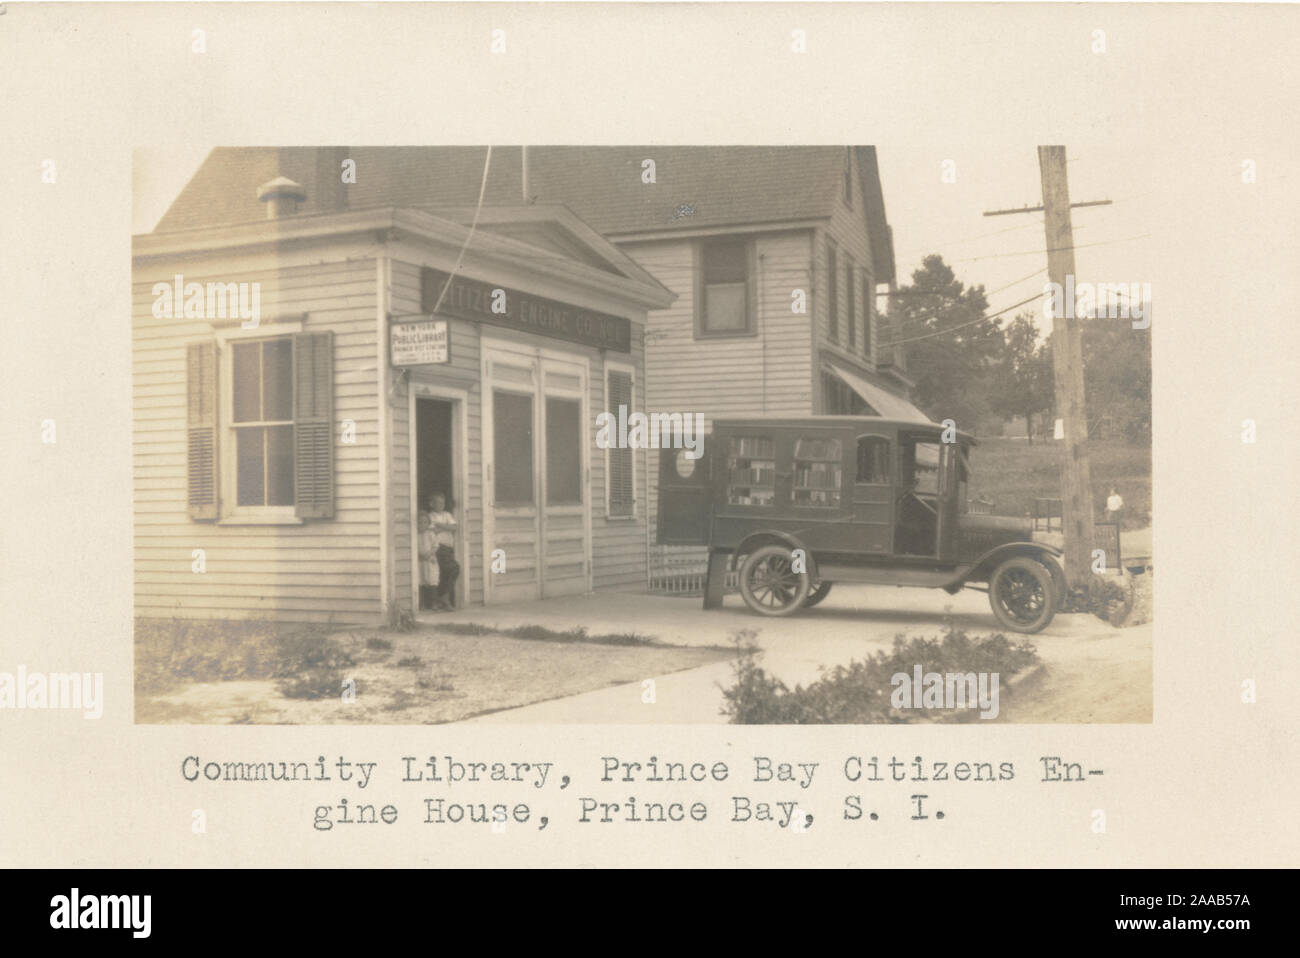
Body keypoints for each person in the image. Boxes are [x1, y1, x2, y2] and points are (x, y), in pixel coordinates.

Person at [425, 492, 460, 609]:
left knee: (447, 573)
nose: (441, 505)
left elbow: (454, 527)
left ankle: (443, 598)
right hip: (438, 547)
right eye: (438, 503)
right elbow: (432, 531)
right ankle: (443, 598)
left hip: (448, 548)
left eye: (443, 503)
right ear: (431, 504)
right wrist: (446, 527)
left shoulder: (447, 515)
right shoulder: (430, 516)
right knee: (453, 568)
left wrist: (440, 525)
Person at [417, 511, 439, 611]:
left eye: (425, 522)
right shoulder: (415, 535)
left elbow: (435, 546)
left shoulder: (430, 534)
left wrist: (429, 553)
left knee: (432, 581)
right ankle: (422, 604)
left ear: (428, 524)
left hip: (430, 560)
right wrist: (419, 554)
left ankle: (433, 603)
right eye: (420, 522)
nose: (422, 524)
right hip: (420, 561)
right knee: (421, 581)